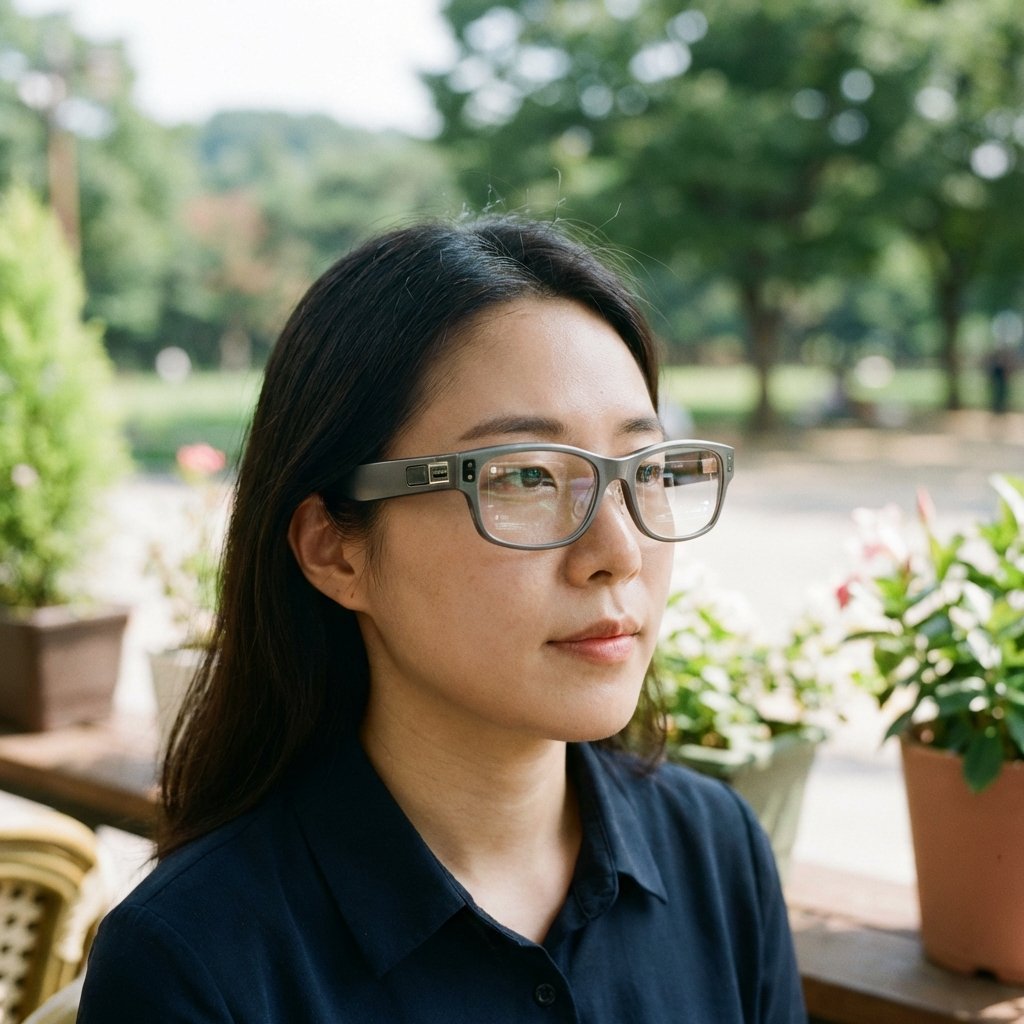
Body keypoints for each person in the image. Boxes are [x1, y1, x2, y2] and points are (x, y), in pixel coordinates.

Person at [78, 217, 805, 1022]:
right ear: (336, 552)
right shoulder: (193, 961)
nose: (619, 550)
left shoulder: (716, 851)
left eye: (645, 467)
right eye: (526, 475)